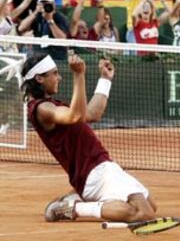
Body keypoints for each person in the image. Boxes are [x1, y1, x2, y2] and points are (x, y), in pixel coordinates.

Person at [20, 52, 157, 223]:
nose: (59, 77)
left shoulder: (52, 105)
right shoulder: (41, 108)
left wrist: (105, 80)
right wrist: (78, 75)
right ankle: (73, 208)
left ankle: (74, 197)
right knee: (142, 213)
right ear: (39, 78)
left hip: (102, 165)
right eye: (55, 73)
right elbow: (74, 115)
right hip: (93, 172)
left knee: (151, 206)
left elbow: (92, 113)